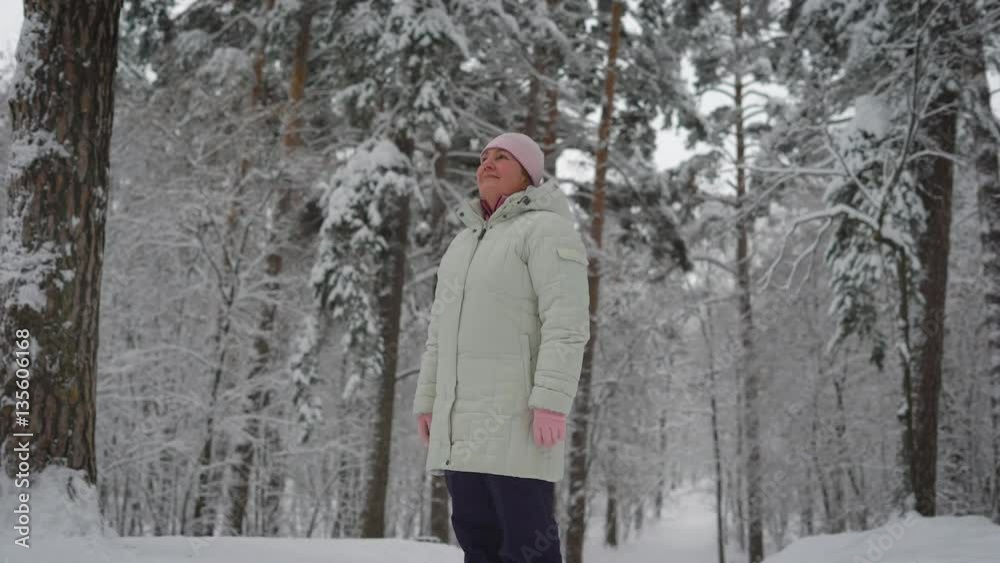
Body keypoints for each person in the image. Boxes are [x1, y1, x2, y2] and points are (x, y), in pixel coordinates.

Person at [411, 132, 591, 563]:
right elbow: (440, 334)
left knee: (526, 547)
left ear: (528, 174)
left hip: (517, 422)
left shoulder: (546, 230)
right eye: (484, 157)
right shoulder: (463, 244)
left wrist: (550, 400)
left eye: (501, 157)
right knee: (478, 544)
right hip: (462, 427)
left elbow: (566, 323)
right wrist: (428, 401)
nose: (486, 164)